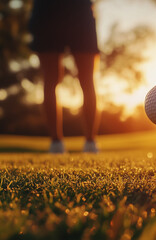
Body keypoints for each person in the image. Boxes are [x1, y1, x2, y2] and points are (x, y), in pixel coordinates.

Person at [28, 0, 100, 153]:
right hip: (48, 9)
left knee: (86, 80)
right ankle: (57, 143)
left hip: (72, 9)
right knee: (52, 80)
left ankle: (89, 142)